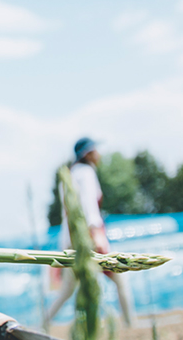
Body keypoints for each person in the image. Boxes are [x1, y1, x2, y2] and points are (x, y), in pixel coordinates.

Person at [46, 137, 135, 327]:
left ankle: (43, 323)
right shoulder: (86, 173)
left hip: (70, 239)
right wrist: (96, 234)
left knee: (68, 289)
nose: (99, 154)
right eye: (96, 150)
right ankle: (130, 324)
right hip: (88, 237)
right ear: (88, 153)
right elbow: (87, 206)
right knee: (120, 278)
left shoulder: (69, 175)